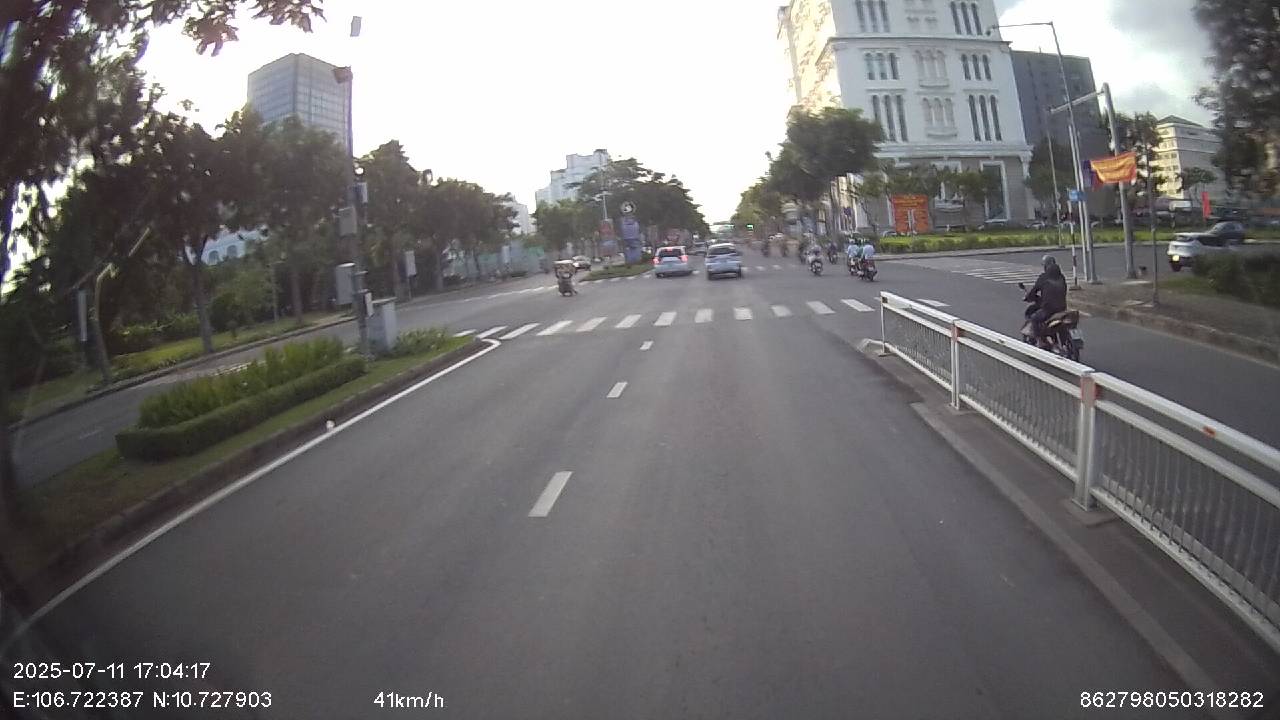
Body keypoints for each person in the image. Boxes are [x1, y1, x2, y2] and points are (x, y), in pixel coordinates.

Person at [1023, 255, 1068, 340]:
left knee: (1034, 319)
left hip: (1049, 309)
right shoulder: (1061, 277)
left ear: (1046, 266)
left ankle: (1040, 340)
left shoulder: (1043, 277)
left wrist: (1028, 297)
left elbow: (1034, 291)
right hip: (1062, 308)